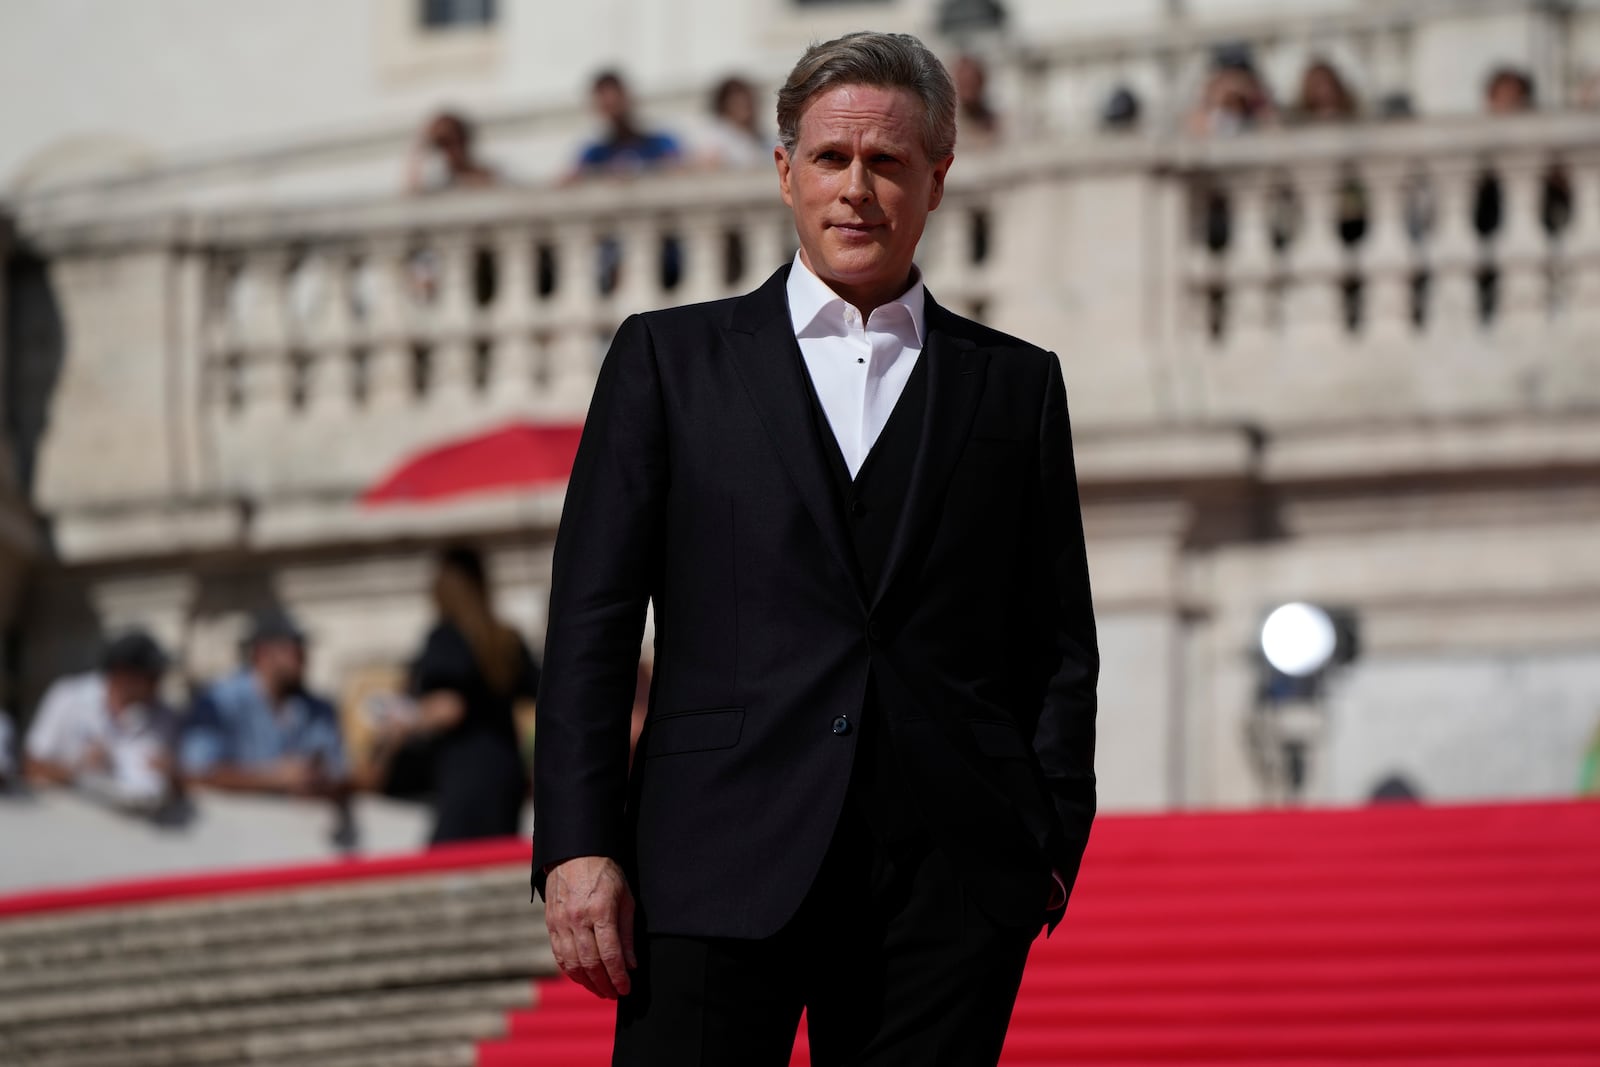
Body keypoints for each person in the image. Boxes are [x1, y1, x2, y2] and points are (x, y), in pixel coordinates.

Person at [534, 31, 1098, 1066]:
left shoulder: (1015, 385)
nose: (857, 189)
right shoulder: (666, 361)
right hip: (706, 856)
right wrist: (576, 842)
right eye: (833, 158)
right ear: (785, 169)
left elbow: (1056, 635)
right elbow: (591, 625)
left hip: (949, 877)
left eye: (887, 162)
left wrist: (1048, 835)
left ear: (937, 177)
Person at [385, 546, 538, 843]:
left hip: (465, 776)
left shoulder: (446, 637)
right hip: (505, 770)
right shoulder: (505, 639)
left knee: (448, 867)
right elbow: (541, 691)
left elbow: (449, 706)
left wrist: (408, 718)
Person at [182, 610, 355, 845]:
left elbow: (341, 774)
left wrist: (318, 782)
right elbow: (196, 773)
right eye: (295, 649)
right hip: (232, 845)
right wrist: (274, 778)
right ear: (263, 653)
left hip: (300, 844)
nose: (304, 658)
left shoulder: (317, 709)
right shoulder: (219, 701)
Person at [23, 631, 180, 814]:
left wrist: (171, 774)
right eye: (151, 676)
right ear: (122, 674)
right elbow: (31, 766)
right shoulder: (68, 697)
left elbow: (175, 779)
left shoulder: (165, 715)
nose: (157, 684)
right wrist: (80, 771)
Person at [572, 70, 683, 179]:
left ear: (627, 99)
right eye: (607, 107)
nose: (613, 115)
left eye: (615, 104)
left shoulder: (659, 143)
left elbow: (681, 164)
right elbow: (570, 177)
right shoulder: (595, 154)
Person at [406, 110, 499, 194]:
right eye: (439, 144)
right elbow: (412, 194)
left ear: (463, 141)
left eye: (448, 142)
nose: (444, 151)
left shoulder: (487, 176)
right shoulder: (439, 183)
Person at [697, 75, 770, 169]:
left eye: (747, 104)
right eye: (738, 104)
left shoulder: (758, 135)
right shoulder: (715, 135)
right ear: (725, 105)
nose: (744, 109)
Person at [953, 52, 1001, 147]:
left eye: (972, 82)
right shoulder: (946, 128)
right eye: (964, 83)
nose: (969, 88)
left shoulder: (995, 122)